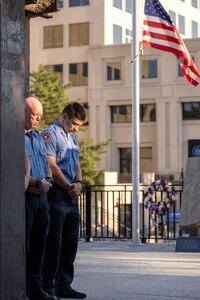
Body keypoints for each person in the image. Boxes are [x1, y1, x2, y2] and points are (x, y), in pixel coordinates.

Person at [41, 102, 87, 299]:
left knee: (70, 243)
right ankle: (48, 287)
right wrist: (69, 185)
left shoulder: (73, 138)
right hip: (57, 194)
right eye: (75, 123)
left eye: (79, 125)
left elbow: (77, 163)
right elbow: (51, 165)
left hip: (71, 195)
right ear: (65, 116)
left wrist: (78, 183)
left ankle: (64, 285)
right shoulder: (50, 134)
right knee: (54, 243)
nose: (76, 128)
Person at [25, 97, 59, 300]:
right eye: (34, 114)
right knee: (26, 245)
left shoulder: (37, 137)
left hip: (42, 197)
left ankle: (36, 288)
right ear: (23, 112)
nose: (38, 119)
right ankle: (25, 286)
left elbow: (46, 164)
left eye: (40, 116)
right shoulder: (14, 137)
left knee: (40, 244)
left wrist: (46, 180)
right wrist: (36, 183)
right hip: (27, 196)